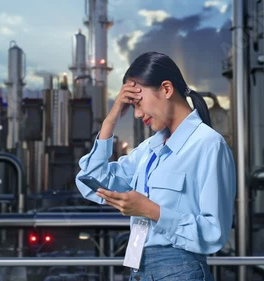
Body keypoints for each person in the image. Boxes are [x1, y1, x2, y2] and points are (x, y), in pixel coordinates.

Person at [76, 51, 236, 281]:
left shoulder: (208, 145)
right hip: (138, 269)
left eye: (139, 103)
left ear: (167, 89)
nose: (138, 114)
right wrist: (110, 120)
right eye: (132, 107)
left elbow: (214, 232)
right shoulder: (150, 147)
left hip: (180, 271)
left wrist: (150, 210)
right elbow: (90, 181)